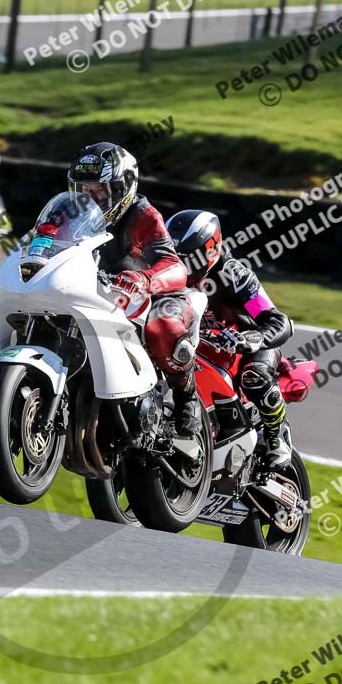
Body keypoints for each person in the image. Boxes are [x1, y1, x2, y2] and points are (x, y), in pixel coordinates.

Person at [67, 142, 201, 436]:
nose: (91, 199)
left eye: (100, 190)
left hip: (149, 296)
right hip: (97, 294)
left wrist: (144, 279)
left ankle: (186, 396)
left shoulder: (144, 216)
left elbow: (174, 265)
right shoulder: (73, 216)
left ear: (123, 186)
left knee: (162, 327)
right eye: (85, 190)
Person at [166, 209, 294, 468]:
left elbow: (279, 322)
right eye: (174, 255)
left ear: (210, 250)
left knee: (254, 377)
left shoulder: (234, 276)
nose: (179, 265)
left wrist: (251, 339)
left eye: (187, 257)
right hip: (196, 347)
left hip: (246, 347)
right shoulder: (166, 275)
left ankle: (277, 434)